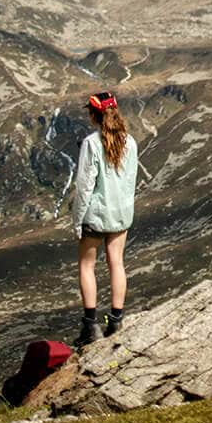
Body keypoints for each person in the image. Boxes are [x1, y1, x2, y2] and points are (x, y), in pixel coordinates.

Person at [70, 91, 138, 347]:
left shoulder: (91, 143)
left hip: (97, 213)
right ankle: (116, 320)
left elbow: (85, 185)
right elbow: (131, 179)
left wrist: (77, 219)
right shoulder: (130, 142)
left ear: (94, 114)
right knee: (116, 263)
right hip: (121, 213)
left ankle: (91, 325)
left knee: (87, 265)